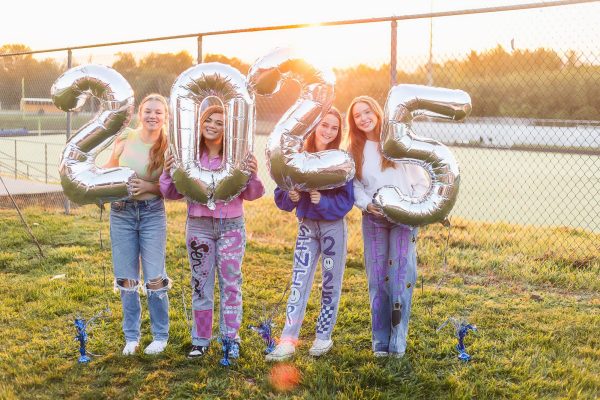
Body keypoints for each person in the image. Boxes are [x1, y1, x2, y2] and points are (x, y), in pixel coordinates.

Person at [160, 105, 264, 359]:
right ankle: (201, 339)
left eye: (219, 122)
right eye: (208, 120)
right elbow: (170, 193)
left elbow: (253, 194)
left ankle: (231, 339)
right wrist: (167, 170)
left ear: (228, 130)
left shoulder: (236, 157)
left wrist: (253, 172)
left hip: (231, 227)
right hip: (199, 227)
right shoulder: (189, 156)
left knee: (231, 284)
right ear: (200, 123)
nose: (212, 125)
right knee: (201, 285)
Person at [266, 108, 354, 361]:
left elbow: (346, 201)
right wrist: (290, 197)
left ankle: (323, 335)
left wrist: (322, 201)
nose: (328, 131)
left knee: (330, 283)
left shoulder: (340, 160)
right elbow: (281, 194)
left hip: (332, 229)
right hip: (306, 227)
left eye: (334, 127)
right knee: (299, 282)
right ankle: (288, 339)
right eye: (324, 125)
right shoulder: (298, 157)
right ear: (314, 125)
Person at [347, 96, 429, 358]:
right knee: (378, 280)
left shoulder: (395, 142)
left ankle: (398, 341)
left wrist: (411, 208)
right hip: (374, 219)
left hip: (403, 219)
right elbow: (355, 185)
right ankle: (380, 342)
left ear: (377, 112)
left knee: (400, 278)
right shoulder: (354, 149)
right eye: (357, 115)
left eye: (367, 111)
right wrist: (365, 204)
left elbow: (421, 181)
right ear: (354, 122)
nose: (363, 118)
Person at [105, 93, 171, 356]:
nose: (152, 116)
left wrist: (147, 186)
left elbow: (174, 189)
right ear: (139, 113)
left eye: (158, 112)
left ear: (165, 117)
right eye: (148, 111)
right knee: (127, 278)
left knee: (155, 278)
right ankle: (131, 337)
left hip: (151, 213)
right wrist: (114, 156)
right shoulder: (125, 137)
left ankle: (160, 336)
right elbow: (108, 172)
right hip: (121, 212)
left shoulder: (169, 146)